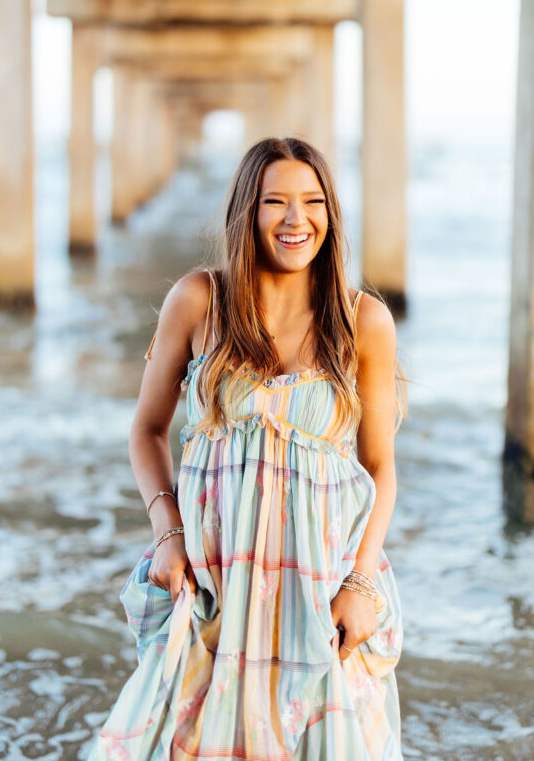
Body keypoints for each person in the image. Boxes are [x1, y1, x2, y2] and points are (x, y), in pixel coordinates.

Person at [88, 136, 407, 760]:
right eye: (276, 202)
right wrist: (168, 534)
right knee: (187, 740)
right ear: (247, 211)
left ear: (331, 214)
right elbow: (147, 430)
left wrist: (361, 583)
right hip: (216, 576)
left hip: (319, 580)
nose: (297, 219)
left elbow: (379, 468)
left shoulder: (362, 320)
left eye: (313, 201)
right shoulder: (199, 300)